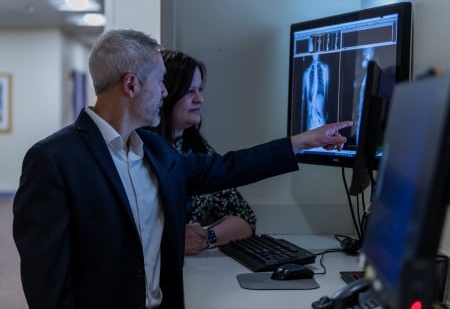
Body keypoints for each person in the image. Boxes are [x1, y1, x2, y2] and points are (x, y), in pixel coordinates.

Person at [12, 29, 352, 309]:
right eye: (160, 82)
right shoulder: (53, 161)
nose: (164, 92)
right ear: (131, 85)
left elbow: (229, 166)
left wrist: (302, 142)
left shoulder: (157, 152)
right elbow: (48, 287)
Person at [154, 50, 256, 255]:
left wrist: (205, 238)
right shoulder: (142, 150)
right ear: (166, 93)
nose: (200, 99)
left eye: (200, 89)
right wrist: (172, 239)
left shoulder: (199, 149)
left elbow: (245, 219)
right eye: (190, 91)